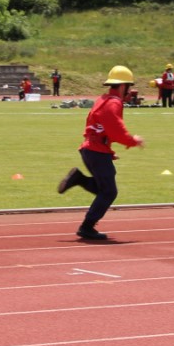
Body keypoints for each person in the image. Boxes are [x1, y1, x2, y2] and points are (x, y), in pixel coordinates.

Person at [56, 65, 145, 240]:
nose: (129, 91)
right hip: (96, 151)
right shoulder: (114, 103)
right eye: (128, 86)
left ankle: (78, 179)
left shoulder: (103, 99)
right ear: (122, 86)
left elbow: (95, 126)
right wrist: (132, 141)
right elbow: (115, 129)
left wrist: (108, 151)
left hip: (90, 149)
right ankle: (86, 227)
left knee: (104, 189)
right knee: (109, 192)